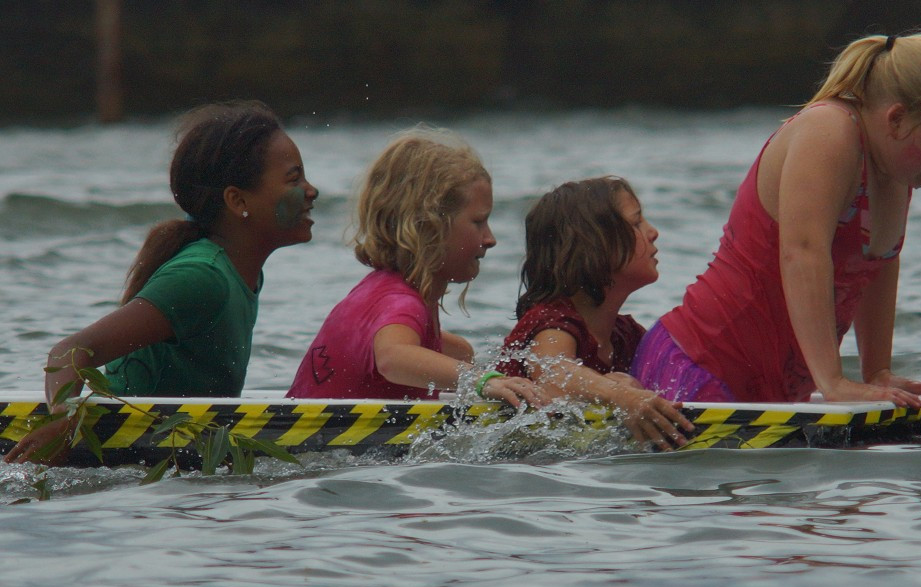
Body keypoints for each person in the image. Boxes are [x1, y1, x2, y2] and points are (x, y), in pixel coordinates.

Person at [632, 31, 921, 407]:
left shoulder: (894, 169)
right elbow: (802, 254)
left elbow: (880, 266)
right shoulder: (830, 129)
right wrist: (833, 382)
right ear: (897, 119)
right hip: (697, 368)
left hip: (777, 391)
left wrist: (877, 373)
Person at [6, 100, 318, 464]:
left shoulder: (241, 271)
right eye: (294, 179)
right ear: (237, 200)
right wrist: (64, 421)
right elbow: (71, 351)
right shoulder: (202, 277)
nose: (311, 191)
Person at [287, 127, 544, 407]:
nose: (490, 239)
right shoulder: (399, 302)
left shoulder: (385, 290)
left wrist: (460, 357)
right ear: (428, 227)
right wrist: (482, 380)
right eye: (478, 222)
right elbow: (392, 358)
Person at [500, 177, 694, 450]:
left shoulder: (625, 335)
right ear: (595, 245)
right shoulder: (551, 321)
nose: (653, 232)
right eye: (637, 223)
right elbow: (553, 375)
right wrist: (621, 395)